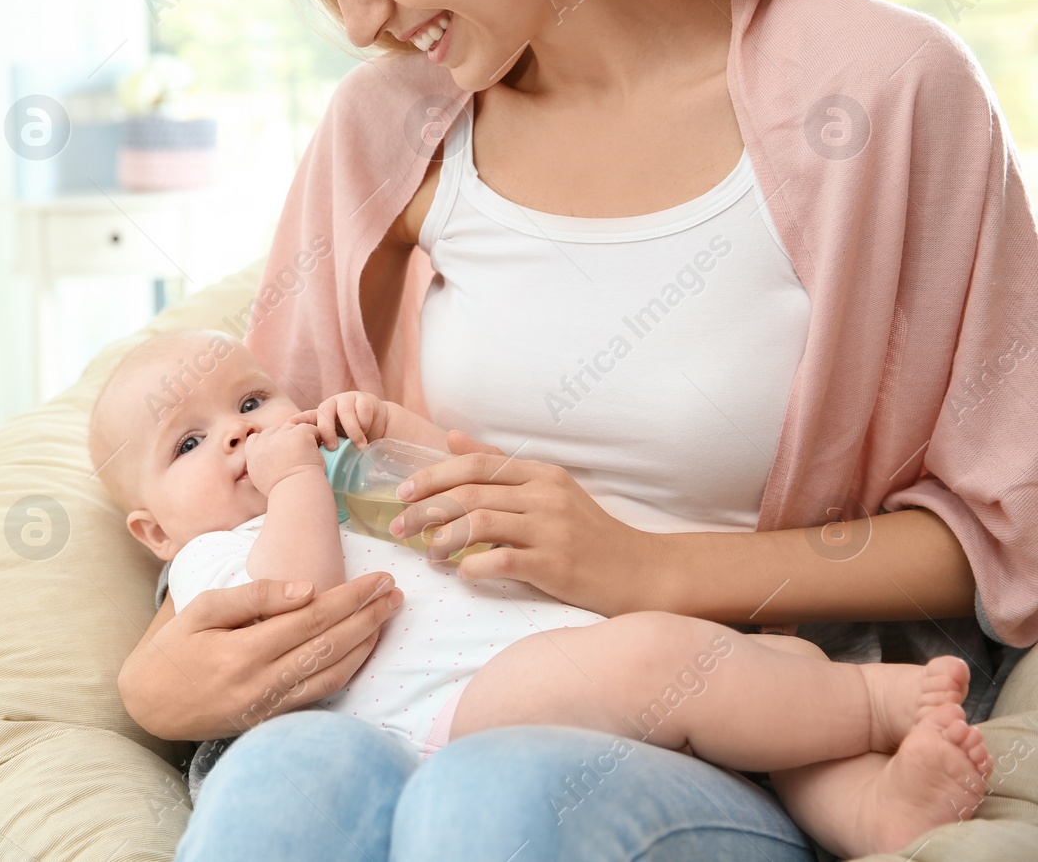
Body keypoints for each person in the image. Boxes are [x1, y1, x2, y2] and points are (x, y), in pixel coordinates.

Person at [114, 0, 1038, 860]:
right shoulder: (389, 130)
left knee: (492, 799)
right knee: (285, 775)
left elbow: (991, 537)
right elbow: (254, 478)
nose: (358, 18)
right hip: (428, 700)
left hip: (740, 727)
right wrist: (157, 675)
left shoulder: (884, 94)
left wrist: (644, 566)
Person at [91, 328, 991, 859]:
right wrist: (293, 483)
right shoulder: (210, 563)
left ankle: (880, 810)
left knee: (763, 680)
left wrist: (394, 435)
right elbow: (297, 596)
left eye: (253, 401)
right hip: (462, 714)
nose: (241, 436)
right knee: (667, 661)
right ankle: (873, 703)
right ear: (153, 531)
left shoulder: (335, 487)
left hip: (556, 657)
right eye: (189, 443)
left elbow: (465, 498)